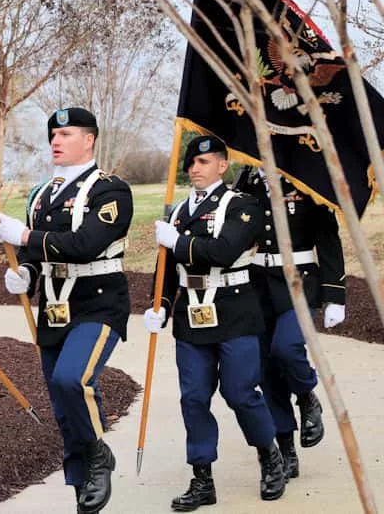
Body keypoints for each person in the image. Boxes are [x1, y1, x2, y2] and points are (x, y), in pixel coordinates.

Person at [0, 107, 132, 514]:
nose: (55, 140)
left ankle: (98, 454)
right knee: (63, 404)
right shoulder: (44, 194)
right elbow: (36, 254)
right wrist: (26, 274)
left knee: (72, 381)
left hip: (98, 303)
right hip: (54, 308)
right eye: (53, 133)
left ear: (88, 140)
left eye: (66, 133)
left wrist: (26, 235)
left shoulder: (111, 191)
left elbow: (86, 243)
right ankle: (82, 484)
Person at [144, 135, 287, 510]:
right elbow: (167, 269)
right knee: (193, 398)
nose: (195, 169)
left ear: (223, 165)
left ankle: (269, 454)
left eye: (204, 162)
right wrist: (158, 304)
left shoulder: (243, 205)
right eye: (191, 163)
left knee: (240, 393)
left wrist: (177, 242)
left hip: (234, 310)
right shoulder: (176, 213)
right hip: (191, 314)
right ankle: (202, 478)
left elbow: (224, 251)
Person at [234, 166, 345, 478]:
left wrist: (335, 293)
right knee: (266, 370)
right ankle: (286, 448)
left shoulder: (304, 176)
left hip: (300, 282)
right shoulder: (247, 180)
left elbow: (327, 235)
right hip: (257, 284)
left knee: (287, 347)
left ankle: (308, 397)